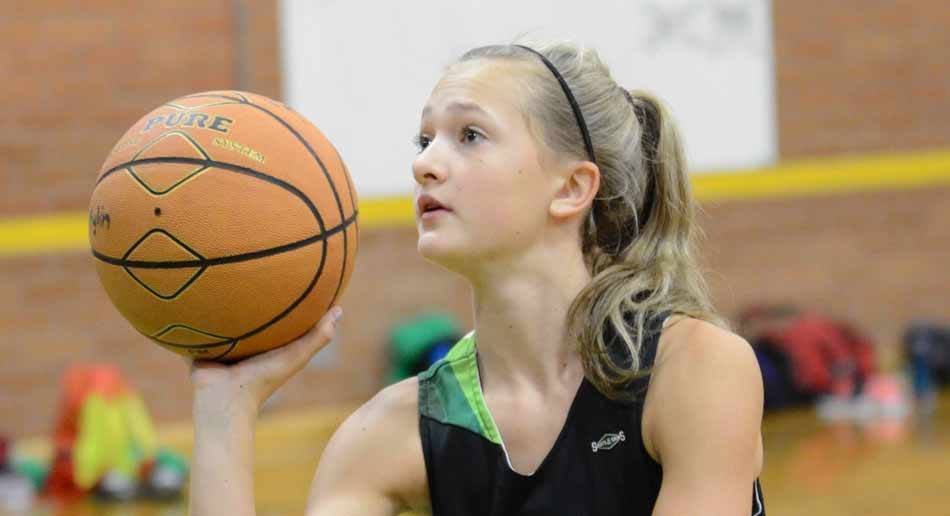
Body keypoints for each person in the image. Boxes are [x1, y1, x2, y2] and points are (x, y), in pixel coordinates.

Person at [188, 41, 766, 515]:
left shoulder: (693, 368)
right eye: (424, 140)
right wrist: (223, 412)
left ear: (571, 189)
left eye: (469, 135)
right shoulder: (391, 433)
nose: (423, 164)